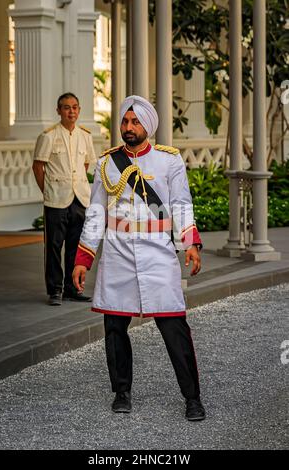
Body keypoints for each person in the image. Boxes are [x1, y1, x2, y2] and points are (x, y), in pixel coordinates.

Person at [72, 95, 206, 421]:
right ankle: (121, 392)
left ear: (148, 125)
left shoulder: (168, 161)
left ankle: (192, 398)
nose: (128, 128)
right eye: (125, 122)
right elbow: (95, 213)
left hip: (158, 254)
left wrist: (189, 242)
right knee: (115, 329)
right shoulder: (107, 163)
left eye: (135, 122)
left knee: (175, 328)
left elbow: (180, 205)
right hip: (117, 254)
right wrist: (83, 258)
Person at [33, 92, 96, 306]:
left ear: (79, 110)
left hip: (79, 199)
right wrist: (47, 190)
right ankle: (55, 290)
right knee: (53, 246)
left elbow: (85, 164)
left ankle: (72, 288)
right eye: (66, 107)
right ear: (58, 110)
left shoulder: (85, 136)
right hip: (56, 200)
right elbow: (38, 166)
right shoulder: (48, 136)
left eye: (75, 107)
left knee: (75, 246)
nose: (71, 111)